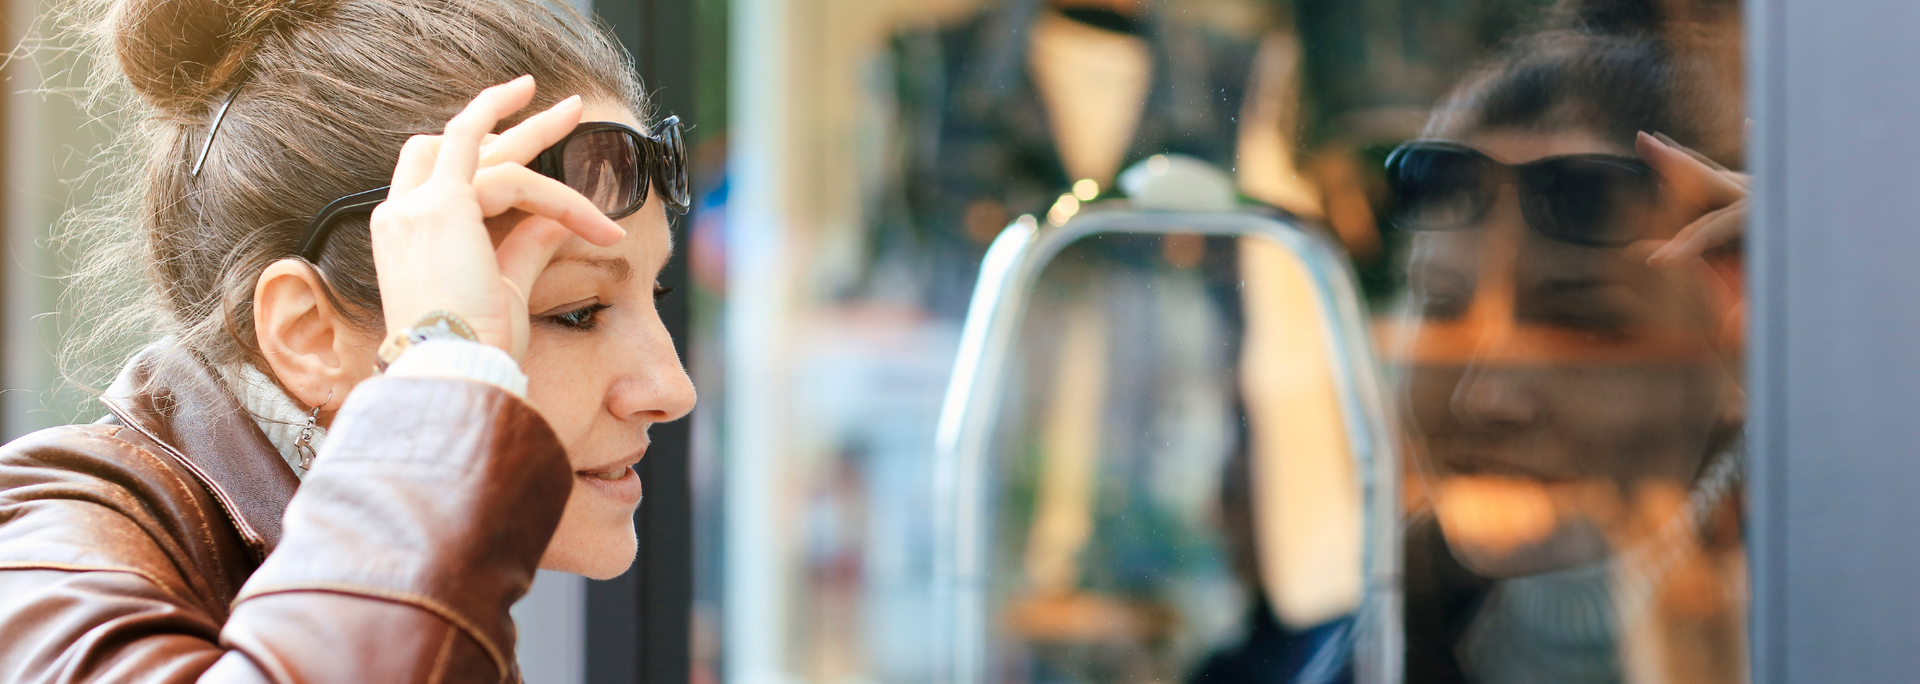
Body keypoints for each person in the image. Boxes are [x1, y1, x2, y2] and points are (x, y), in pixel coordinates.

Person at [0, 0, 695, 680]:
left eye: (656, 293)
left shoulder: (426, 575)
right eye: (577, 312)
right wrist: (445, 375)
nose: (672, 388)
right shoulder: (46, 549)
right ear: (308, 333)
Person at [1388, 0, 1747, 682]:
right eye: (1441, 311)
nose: (1483, 397)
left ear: (1739, 356)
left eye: (1578, 327)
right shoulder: (1364, 625)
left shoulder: (1839, 611)